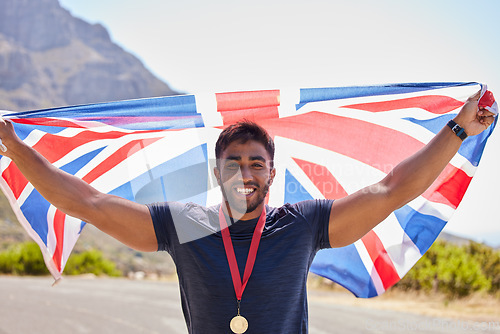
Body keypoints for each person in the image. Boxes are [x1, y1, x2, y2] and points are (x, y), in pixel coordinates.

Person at [0, 91, 495, 333]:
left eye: (256, 163)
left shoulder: (301, 224)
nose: (244, 173)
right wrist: (15, 150)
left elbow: (389, 190)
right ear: (216, 174)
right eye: (232, 163)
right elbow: (89, 203)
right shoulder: (187, 223)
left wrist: (455, 131)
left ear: (272, 175)